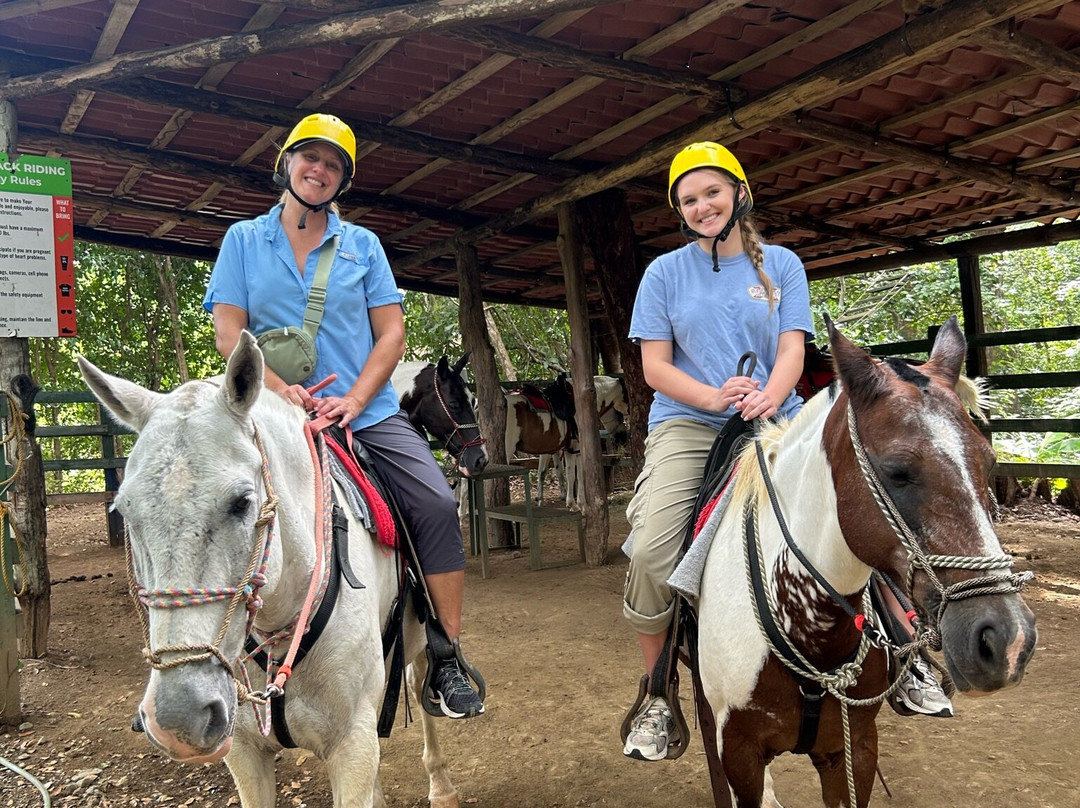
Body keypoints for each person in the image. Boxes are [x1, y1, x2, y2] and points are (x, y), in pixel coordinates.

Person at [203, 112, 484, 719]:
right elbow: (229, 332)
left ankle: (446, 654)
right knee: (208, 499)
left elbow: (391, 335)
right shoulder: (243, 241)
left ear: (343, 180)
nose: (319, 169)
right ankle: (199, 649)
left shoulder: (363, 246)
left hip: (366, 414)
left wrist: (355, 398)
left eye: (333, 164)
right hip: (273, 414)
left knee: (435, 503)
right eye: (310, 157)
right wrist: (278, 389)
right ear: (286, 162)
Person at [621, 141, 814, 761]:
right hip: (689, 424)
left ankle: (902, 648)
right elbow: (653, 367)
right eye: (689, 199)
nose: (702, 206)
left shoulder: (780, 265)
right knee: (653, 550)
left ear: (739, 193)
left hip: (772, 421)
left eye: (711, 192)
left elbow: (792, 349)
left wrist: (770, 398)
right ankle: (656, 691)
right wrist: (711, 397)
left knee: (848, 511)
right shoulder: (663, 273)